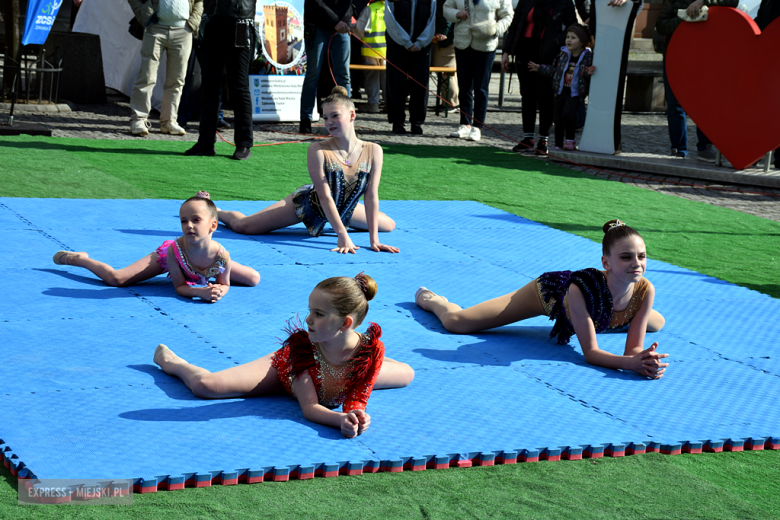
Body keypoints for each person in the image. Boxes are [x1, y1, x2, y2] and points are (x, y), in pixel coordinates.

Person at [153, 273, 415, 437]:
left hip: (344, 369)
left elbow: (358, 397)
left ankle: (364, 358)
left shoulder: (371, 351)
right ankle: (175, 363)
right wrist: (339, 419)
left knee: (407, 375)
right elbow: (310, 408)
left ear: (345, 323)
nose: (308, 320)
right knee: (204, 386)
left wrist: (357, 416)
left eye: (319, 314)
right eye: (310, 310)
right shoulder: (302, 348)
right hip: (285, 372)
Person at [414, 220, 669, 379]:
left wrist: (645, 361)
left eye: (642, 256)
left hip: (605, 310)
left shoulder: (646, 290)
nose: (637, 263)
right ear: (606, 262)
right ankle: (437, 301)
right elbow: (591, 353)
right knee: (457, 323)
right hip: (549, 295)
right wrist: (630, 364)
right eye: (626, 257)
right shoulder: (580, 289)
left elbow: (633, 352)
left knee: (656, 323)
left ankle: (608, 318)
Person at [217, 87, 399, 254]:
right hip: (310, 204)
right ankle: (216, 211)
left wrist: (374, 240)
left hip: (345, 208)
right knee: (244, 226)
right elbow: (324, 196)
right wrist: (342, 235)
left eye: (335, 115)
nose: (329, 122)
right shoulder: (318, 149)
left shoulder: (374, 150)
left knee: (389, 225)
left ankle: (342, 218)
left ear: (352, 115)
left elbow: (371, 195)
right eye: (325, 117)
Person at [52, 194, 260, 302]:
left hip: (210, 260)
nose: (189, 225)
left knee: (253, 279)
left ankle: (208, 266)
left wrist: (217, 291)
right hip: (175, 259)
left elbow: (225, 285)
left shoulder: (222, 256)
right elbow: (179, 287)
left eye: (196, 220)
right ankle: (79, 258)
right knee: (116, 279)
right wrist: (200, 293)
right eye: (184, 221)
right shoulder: (174, 250)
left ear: (213, 225)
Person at [655, 0, 737, 162]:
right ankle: (679, 149)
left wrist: (703, 1)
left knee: (706, 103)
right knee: (675, 104)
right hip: (676, 56)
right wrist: (684, 18)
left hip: (706, 56)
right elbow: (661, 25)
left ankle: (705, 148)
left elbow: (732, 1)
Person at [184, 0, 257, 160]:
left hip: (240, 22)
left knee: (239, 87)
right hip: (212, 21)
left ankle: (244, 143)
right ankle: (205, 142)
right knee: (209, 86)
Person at [501, 0, 576, 155]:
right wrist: (506, 51)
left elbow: (572, 27)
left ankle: (543, 140)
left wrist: (556, 40)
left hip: (547, 54)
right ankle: (528, 138)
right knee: (527, 97)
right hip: (524, 52)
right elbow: (515, 25)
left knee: (545, 98)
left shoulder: (565, 2)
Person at [127, 0, 203, 137]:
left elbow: (199, 1)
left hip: (183, 31)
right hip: (155, 27)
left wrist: (193, 22)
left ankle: (169, 121)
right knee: (146, 75)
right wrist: (143, 15)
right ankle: (138, 119)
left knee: (177, 80)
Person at [444, 0, 513, 142]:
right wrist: (457, 14)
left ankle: (477, 126)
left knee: (481, 87)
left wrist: (496, 29)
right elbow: (446, 8)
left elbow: (508, 15)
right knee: (464, 85)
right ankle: (464, 124)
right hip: (463, 42)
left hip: (485, 44)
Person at [528, 24, 595, 151]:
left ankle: (570, 140)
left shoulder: (588, 57)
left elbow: (585, 73)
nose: (569, 40)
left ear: (582, 42)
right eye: (568, 37)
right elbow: (554, 70)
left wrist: (588, 72)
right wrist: (539, 68)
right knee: (557, 119)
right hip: (560, 92)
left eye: (573, 38)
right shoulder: (563, 55)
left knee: (567, 115)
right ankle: (558, 144)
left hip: (575, 93)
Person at [298, 0, 353, 133]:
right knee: (313, 74)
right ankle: (306, 119)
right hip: (318, 25)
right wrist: (335, 22)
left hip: (342, 24)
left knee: (344, 75)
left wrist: (347, 19)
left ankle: (347, 120)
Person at [384, 0, 436, 135]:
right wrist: (405, 41)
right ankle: (397, 122)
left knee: (420, 85)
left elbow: (432, 20)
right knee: (395, 83)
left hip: (421, 47)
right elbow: (389, 18)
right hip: (397, 45)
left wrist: (421, 42)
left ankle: (417, 122)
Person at [756, 0, 780, 169]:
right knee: (762, 112)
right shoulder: (767, 1)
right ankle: (755, 154)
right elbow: (760, 24)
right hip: (766, 63)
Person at [353, 0, 388, 114]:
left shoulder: (370, 9)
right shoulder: (392, 7)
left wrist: (351, 27)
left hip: (371, 50)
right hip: (388, 51)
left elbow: (359, 30)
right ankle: (389, 104)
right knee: (387, 79)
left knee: (372, 78)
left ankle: (373, 104)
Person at [431, 0, 459, 109]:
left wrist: (443, 32)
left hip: (447, 40)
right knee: (446, 72)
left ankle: (451, 103)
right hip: (448, 38)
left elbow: (446, 15)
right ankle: (448, 102)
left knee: (446, 72)